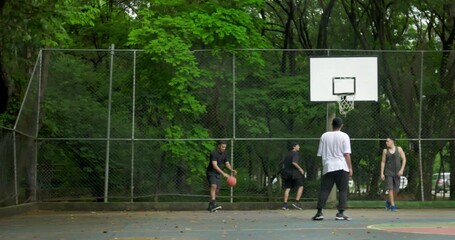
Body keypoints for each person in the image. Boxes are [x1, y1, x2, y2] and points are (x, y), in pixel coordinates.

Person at [312, 117, 353, 221]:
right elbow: (346, 154)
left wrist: (324, 165)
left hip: (328, 166)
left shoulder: (324, 136)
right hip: (341, 166)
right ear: (341, 125)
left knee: (324, 190)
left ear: (332, 125)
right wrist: (350, 167)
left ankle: (319, 212)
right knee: (343, 190)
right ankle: (340, 213)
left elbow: (320, 154)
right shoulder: (344, 136)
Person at [206, 140, 237, 212]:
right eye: (222, 147)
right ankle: (213, 204)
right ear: (219, 146)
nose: (224, 148)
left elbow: (227, 163)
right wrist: (223, 173)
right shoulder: (213, 153)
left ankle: (211, 206)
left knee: (217, 190)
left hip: (218, 174)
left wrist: (232, 170)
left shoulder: (224, 153)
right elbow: (215, 166)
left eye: (225, 147)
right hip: (211, 172)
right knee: (213, 186)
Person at [380, 137, 406, 212]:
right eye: (386, 141)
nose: (386, 142)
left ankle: (389, 201)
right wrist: (382, 173)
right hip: (388, 172)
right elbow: (383, 162)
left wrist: (401, 170)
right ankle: (393, 205)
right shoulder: (385, 151)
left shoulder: (399, 149)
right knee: (390, 188)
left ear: (392, 141)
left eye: (387, 141)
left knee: (396, 190)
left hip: (397, 172)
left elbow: (404, 159)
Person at [281, 142, 305, 210]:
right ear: (294, 147)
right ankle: (297, 202)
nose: (299, 147)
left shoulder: (287, 154)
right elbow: (294, 162)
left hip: (287, 173)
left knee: (288, 188)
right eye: (298, 146)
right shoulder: (295, 153)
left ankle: (285, 205)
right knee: (301, 186)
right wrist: (300, 169)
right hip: (295, 173)